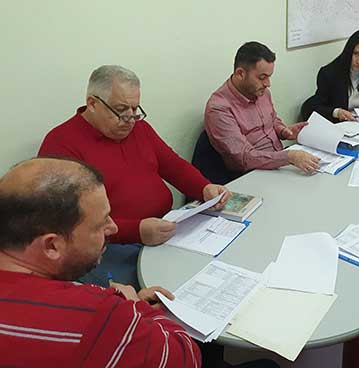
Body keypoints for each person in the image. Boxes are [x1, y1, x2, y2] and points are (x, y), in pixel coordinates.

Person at [0, 157, 279, 368]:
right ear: (52, 245)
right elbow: (186, 357)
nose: (112, 228)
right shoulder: (97, 315)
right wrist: (135, 309)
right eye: (101, 224)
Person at [38, 65, 231, 288]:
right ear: (92, 103)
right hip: (110, 246)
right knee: (172, 287)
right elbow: (70, 221)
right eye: (121, 110)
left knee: (214, 270)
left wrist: (204, 188)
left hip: (164, 228)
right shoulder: (61, 144)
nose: (130, 119)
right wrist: (137, 231)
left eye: (134, 109)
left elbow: (173, 165)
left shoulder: (139, 128)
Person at [204, 41, 321, 175]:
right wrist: (289, 156)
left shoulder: (262, 92)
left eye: (269, 77)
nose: (267, 84)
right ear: (240, 74)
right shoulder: (219, 108)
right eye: (262, 77)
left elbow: (273, 120)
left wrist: (284, 131)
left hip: (278, 163)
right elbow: (244, 158)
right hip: (251, 173)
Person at [300, 29, 359, 122]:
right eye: (356, 54)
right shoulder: (329, 73)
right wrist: (336, 112)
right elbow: (314, 107)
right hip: (338, 125)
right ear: (349, 51)